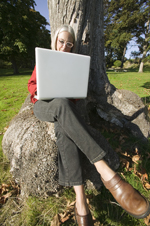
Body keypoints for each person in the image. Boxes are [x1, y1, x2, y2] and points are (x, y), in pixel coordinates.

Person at [28, 24, 150, 226]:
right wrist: (39, 91)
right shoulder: (46, 58)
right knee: (59, 105)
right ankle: (105, 171)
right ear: (55, 41)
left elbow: (75, 94)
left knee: (63, 125)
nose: (65, 46)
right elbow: (32, 85)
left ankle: (81, 201)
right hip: (44, 105)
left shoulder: (74, 63)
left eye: (69, 43)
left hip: (66, 109)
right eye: (61, 42)